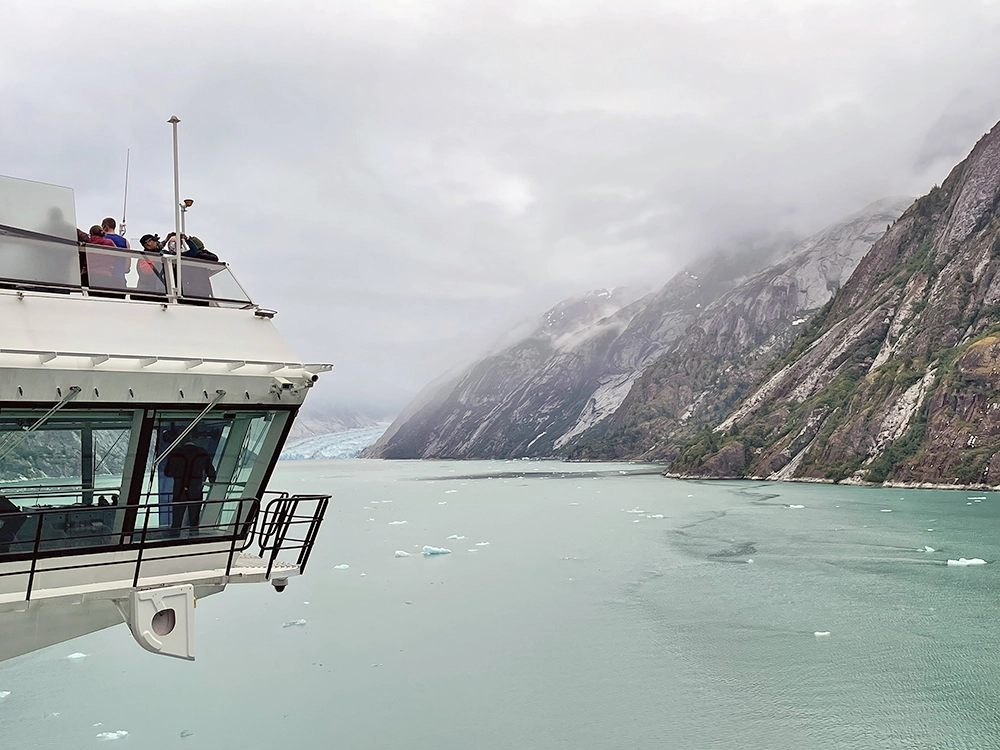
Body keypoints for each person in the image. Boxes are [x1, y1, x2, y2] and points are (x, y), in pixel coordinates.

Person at [163, 440, 217, 536]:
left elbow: (168, 472)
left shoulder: (176, 453)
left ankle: (174, 538)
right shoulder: (201, 452)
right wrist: (212, 480)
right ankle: (193, 537)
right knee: (194, 519)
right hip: (195, 490)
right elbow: (210, 469)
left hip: (179, 491)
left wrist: (179, 472)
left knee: (177, 519)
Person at [85, 225, 126, 291]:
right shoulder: (108, 243)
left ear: (91, 233)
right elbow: (117, 255)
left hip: (88, 276)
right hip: (105, 274)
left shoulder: (87, 243)